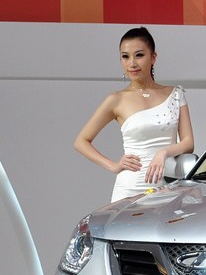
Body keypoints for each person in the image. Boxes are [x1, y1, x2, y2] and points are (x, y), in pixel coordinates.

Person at [74, 27, 194, 201]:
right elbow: (81, 141)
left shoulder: (175, 94)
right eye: (125, 56)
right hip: (129, 189)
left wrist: (164, 152)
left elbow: (188, 143)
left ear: (153, 57)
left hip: (167, 187)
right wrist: (113, 166)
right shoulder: (116, 99)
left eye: (139, 55)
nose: (132, 63)